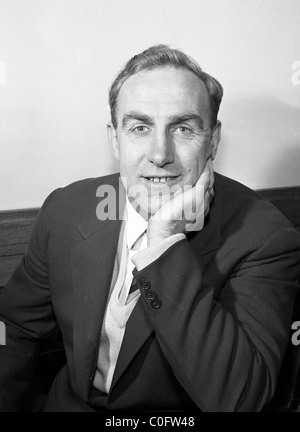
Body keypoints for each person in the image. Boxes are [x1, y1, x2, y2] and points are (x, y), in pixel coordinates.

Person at [0, 44, 300, 413]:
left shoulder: (265, 237)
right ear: (115, 139)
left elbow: (240, 399)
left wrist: (165, 240)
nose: (160, 154)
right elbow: (12, 324)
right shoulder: (68, 207)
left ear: (213, 140)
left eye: (184, 128)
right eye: (140, 127)